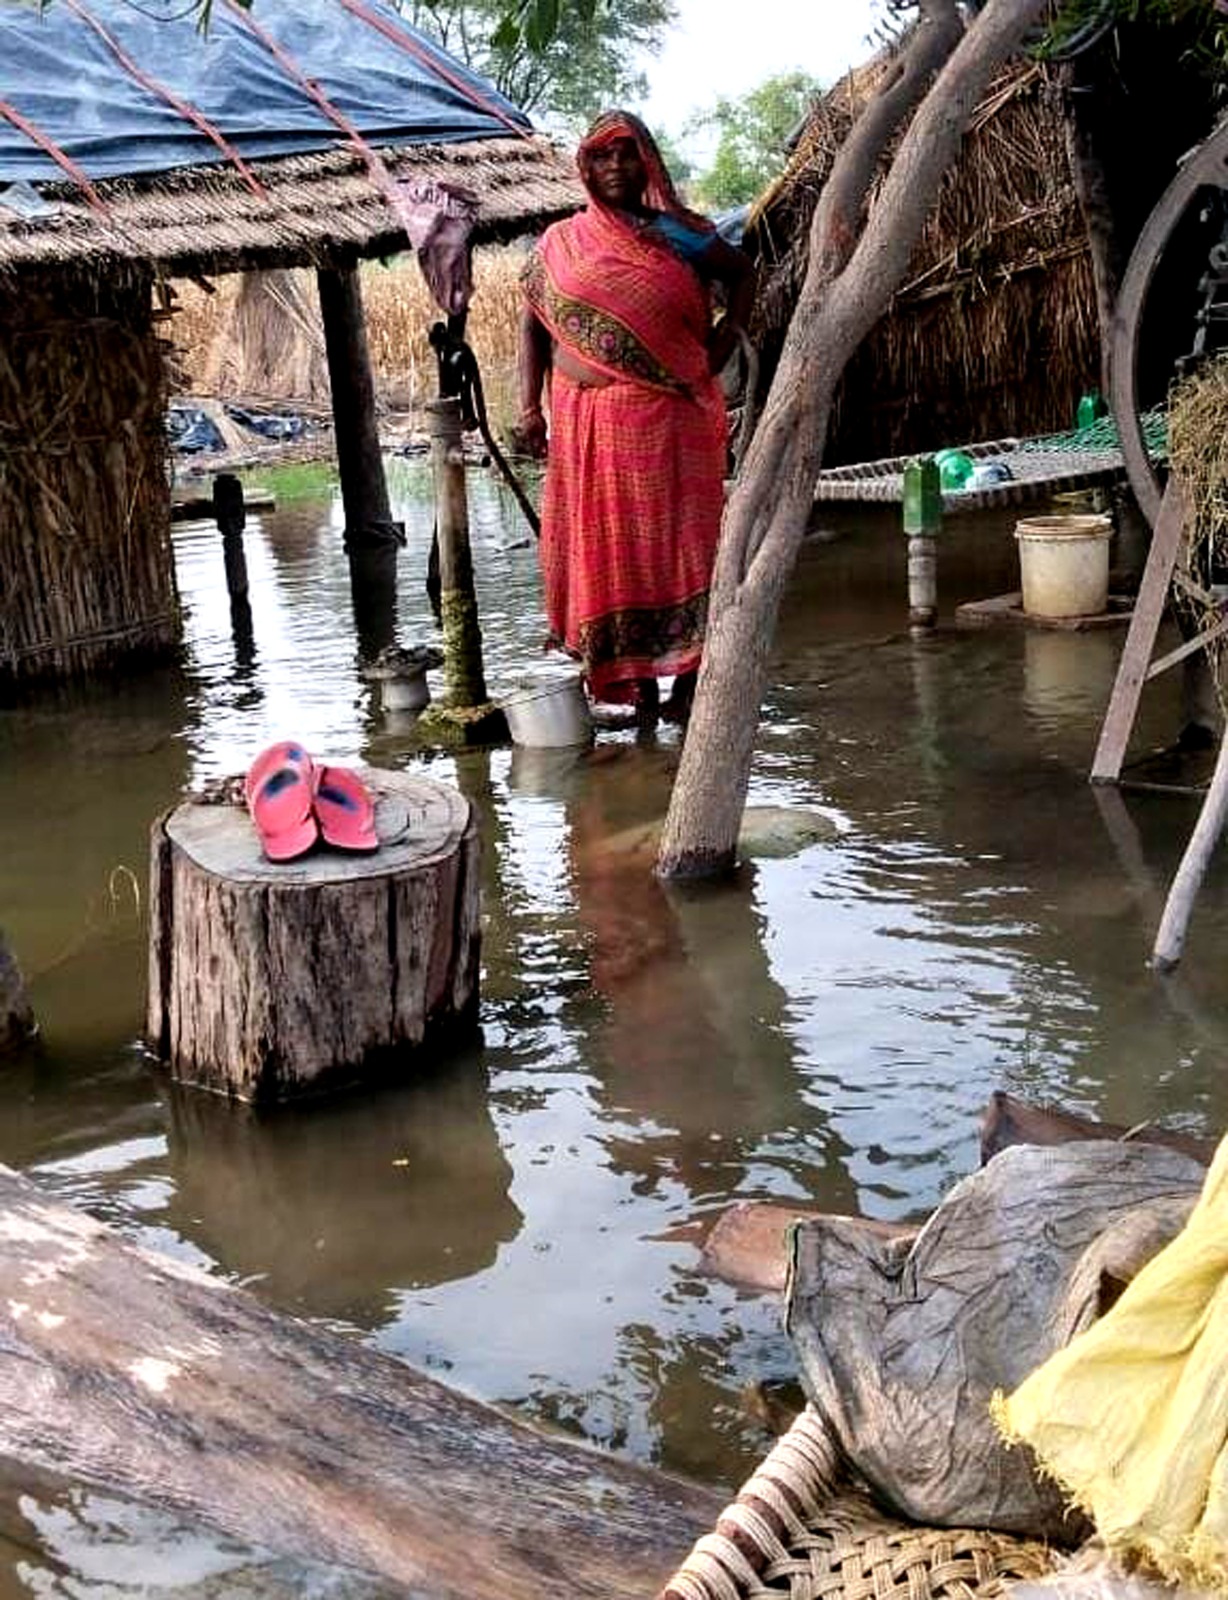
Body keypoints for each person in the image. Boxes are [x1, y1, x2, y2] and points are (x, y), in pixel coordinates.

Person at [517, 110, 755, 724]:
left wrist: (728, 335)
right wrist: (528, 408)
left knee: (684, 545)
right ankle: (637, 691)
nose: (616, 166)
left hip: (671, 420)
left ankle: (689, 683)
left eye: (627, 153)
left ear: (648, 163)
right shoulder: (562, 242)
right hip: (587, 424)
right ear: (585, 167)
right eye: (603, 155)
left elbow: (741, 273)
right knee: (610, 553)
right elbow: (533, 326)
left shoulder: (678, 234)